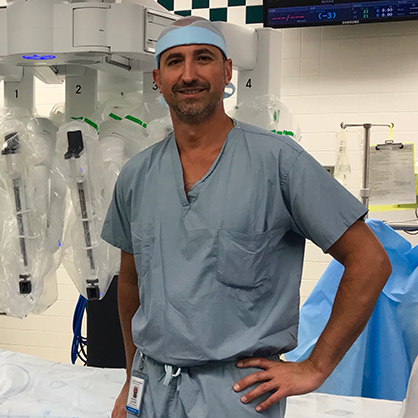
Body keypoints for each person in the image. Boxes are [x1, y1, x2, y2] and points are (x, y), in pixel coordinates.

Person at [101, 16, 391, 418]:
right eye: (174, 62)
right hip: (151, 392)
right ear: (157, 77)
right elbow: (131, 283)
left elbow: (371, 261)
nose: (189, 74)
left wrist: (314, 367)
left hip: (236, 395)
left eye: (203, 58)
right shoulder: (136, 176)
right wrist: (131, 382)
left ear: (227, 70)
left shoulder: (279, 163)